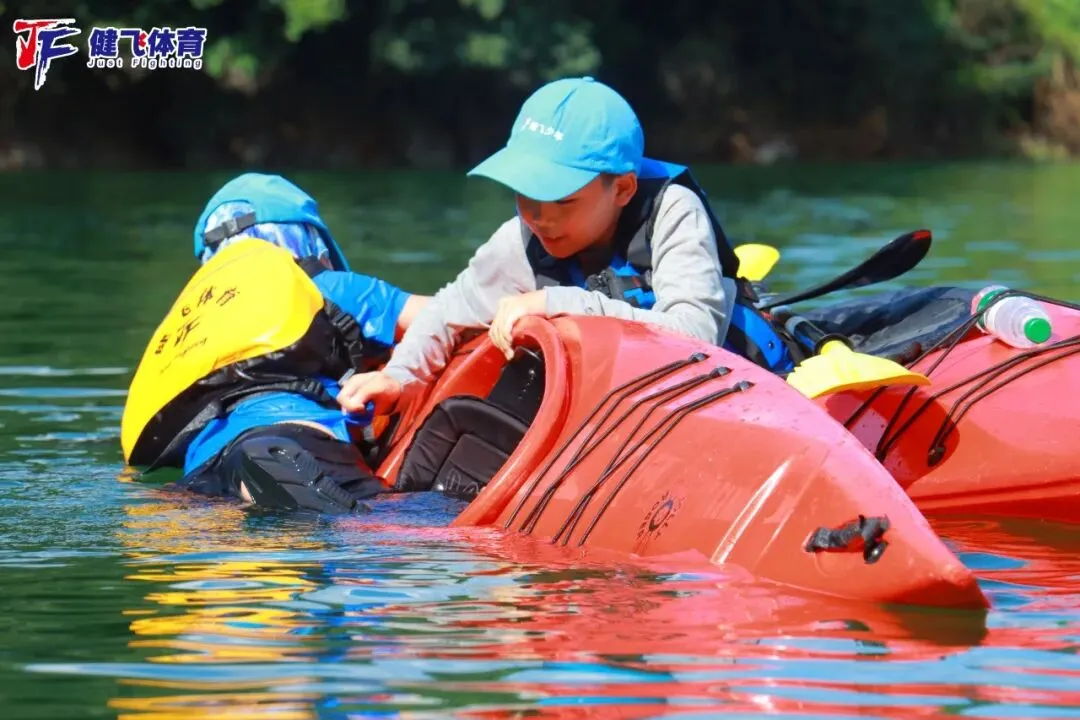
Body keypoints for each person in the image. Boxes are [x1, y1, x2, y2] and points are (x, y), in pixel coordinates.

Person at [337, 75, 802, 417]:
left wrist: (555, 304)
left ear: (622, 189)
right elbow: (446, 312)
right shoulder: (523, 238)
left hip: (752, 387)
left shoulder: (673, 211)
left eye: (563, 199)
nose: (540, 216)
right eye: (525, 194)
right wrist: (399, 377)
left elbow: (695, 335)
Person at [120, 173, 429, 514]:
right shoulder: (323, 285)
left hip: (201, 473)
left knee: (254, 510)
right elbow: (450, 317)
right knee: (375, 527)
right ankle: (269, 468)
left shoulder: (191, 324)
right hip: (294, 437)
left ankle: (252, 477)